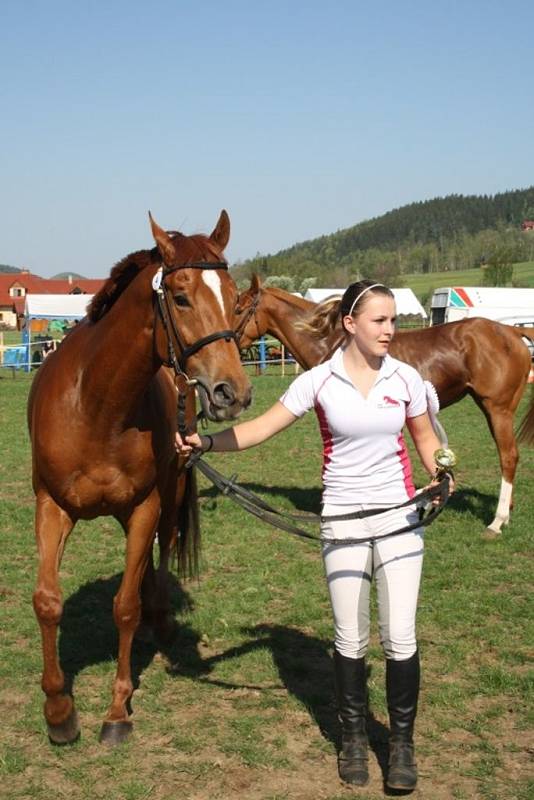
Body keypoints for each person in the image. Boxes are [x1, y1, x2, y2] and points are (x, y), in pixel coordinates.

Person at [175, 280, 454, 791]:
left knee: (400, 637)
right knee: (349, 638)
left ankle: (401, 745)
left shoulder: (406, 378)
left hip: (399, 519)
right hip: (343, 520)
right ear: (350, 324)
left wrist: (441, 472)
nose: (390, 330)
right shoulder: (320, 381)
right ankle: (351, 740)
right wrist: (207, 441)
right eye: (380, 321)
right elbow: (261, 428)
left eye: (392, 320)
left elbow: (426, 438)